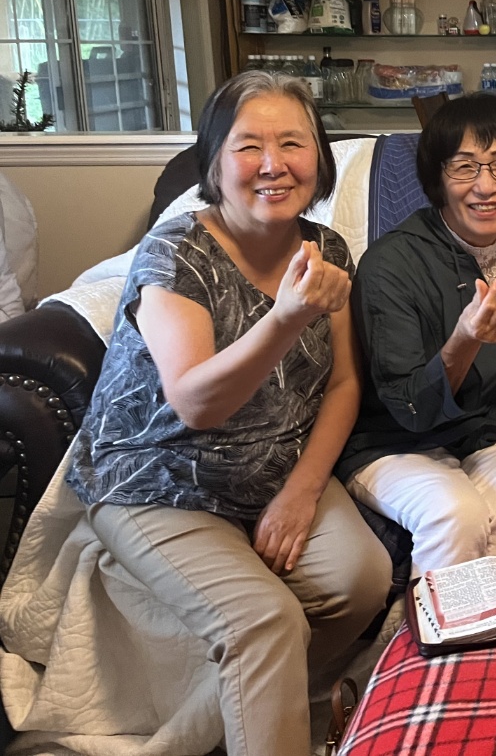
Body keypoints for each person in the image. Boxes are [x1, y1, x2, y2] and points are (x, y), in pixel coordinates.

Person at [63, 72, 392, 756]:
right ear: (214, 163)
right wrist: (285, 317)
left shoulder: (327, 249)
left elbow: (343, 385)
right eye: (249, 146)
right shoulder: (175, 252)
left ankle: (196, 734)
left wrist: (302, 492)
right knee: (265, 620)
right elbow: (194, 403)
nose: (274, 164)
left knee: (360, 581)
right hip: (157, 477)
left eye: (293, 143)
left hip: (273, 468)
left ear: (319, 158)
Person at [339, 94, 496, 574]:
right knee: (455, 512)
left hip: (493, 435)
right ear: (437, 178)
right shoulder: (391, 263)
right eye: (464, 167)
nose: (486, 186)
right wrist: (465, 340)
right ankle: (430, 623)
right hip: (394, 442)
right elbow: (409, 407)